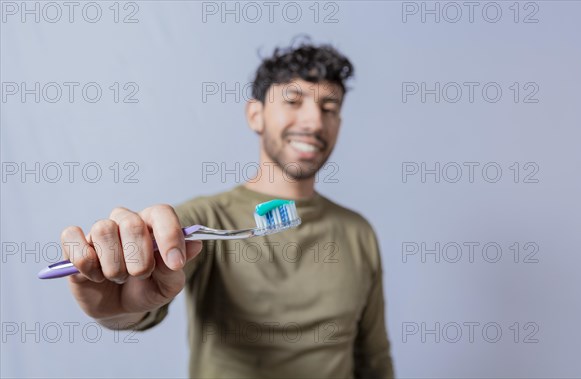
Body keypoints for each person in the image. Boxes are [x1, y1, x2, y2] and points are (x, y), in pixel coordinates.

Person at [61, 38, 395, 378]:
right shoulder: (201, 222)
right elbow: (133, 306)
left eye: (330, 108)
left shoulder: (358, 232)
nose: (314, 122)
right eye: (293, 101)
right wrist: (115, 309)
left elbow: (374, 358)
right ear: (256, 115)